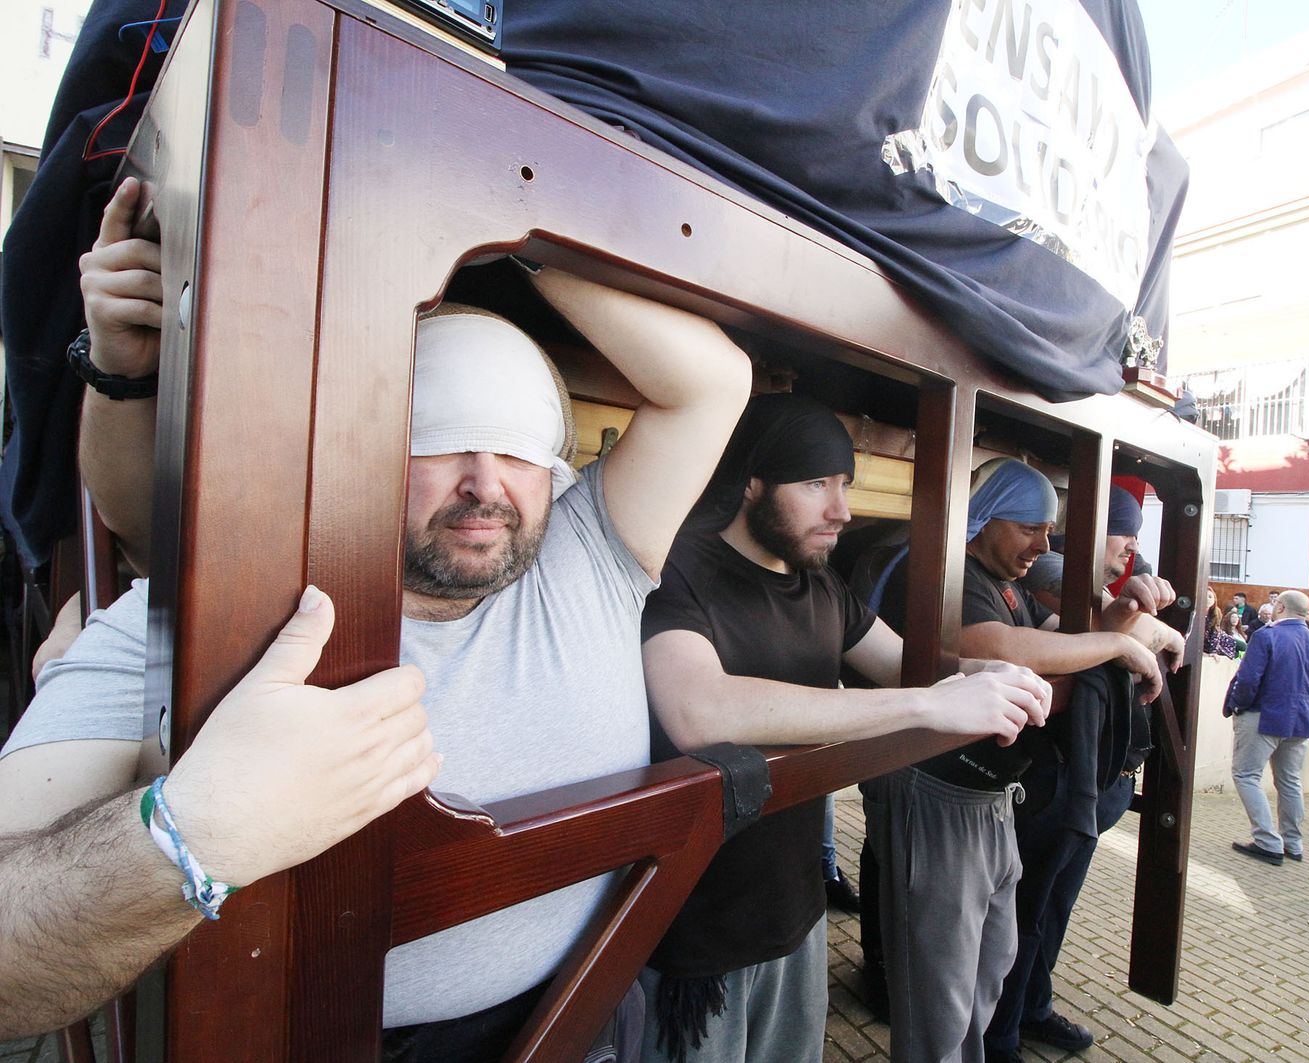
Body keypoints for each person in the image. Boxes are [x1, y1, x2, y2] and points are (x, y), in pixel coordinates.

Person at [0, 179, 755, 1054]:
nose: (486, 482)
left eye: (517, 445)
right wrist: (192, 834)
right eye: (438, 436)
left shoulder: (587, 556)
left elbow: (714, 383)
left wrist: (498, 201)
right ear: (357, 446)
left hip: (582, 1018)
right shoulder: (226, 616)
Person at [634, 395, 1051, 1063]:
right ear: (752, 484)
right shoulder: (678, 570)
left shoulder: (822, 586)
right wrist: (926, 706)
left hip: (795, 917)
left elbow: (902, 663)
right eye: (816, 484)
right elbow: (700, 710)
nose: (843, 509)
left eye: (845, 484)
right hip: (694, 933)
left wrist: (983, 669)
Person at [863, 462, 1171, 1063]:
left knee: (987, 968)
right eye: (1031, 527)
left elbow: (1053, 644)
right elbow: (995, 649)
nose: (1045, 544)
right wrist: (1118, 644)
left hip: (984, 796)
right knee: (941, 987)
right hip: (934, 788)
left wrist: (1123, 618)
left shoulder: (1000, 580)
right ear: (985, 517)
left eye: (1049, 530)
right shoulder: (947, 571)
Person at [983, 483, 1180, 1063]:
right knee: (1026, 914)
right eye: (1125, 529)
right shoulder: (1053, 569)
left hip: (1100, 779)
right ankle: (1000, 1037)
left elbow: (1119, 634)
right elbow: (1087, 635)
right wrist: (1140, 629)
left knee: (1051, 911)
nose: (1133, 545)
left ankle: (1032, 1008)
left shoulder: (1098, 582)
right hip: (1061, 780)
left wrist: (1139, 625)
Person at [1223, 591, 1309, 865]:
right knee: (1290, 781)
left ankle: (1267, 841)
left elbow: (1248, 680)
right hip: (1301, 720)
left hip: (1263, 714)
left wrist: (1238, 705)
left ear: (1280, 606)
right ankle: (1293, 843)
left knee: (1246, 775)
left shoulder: (1266, 636)